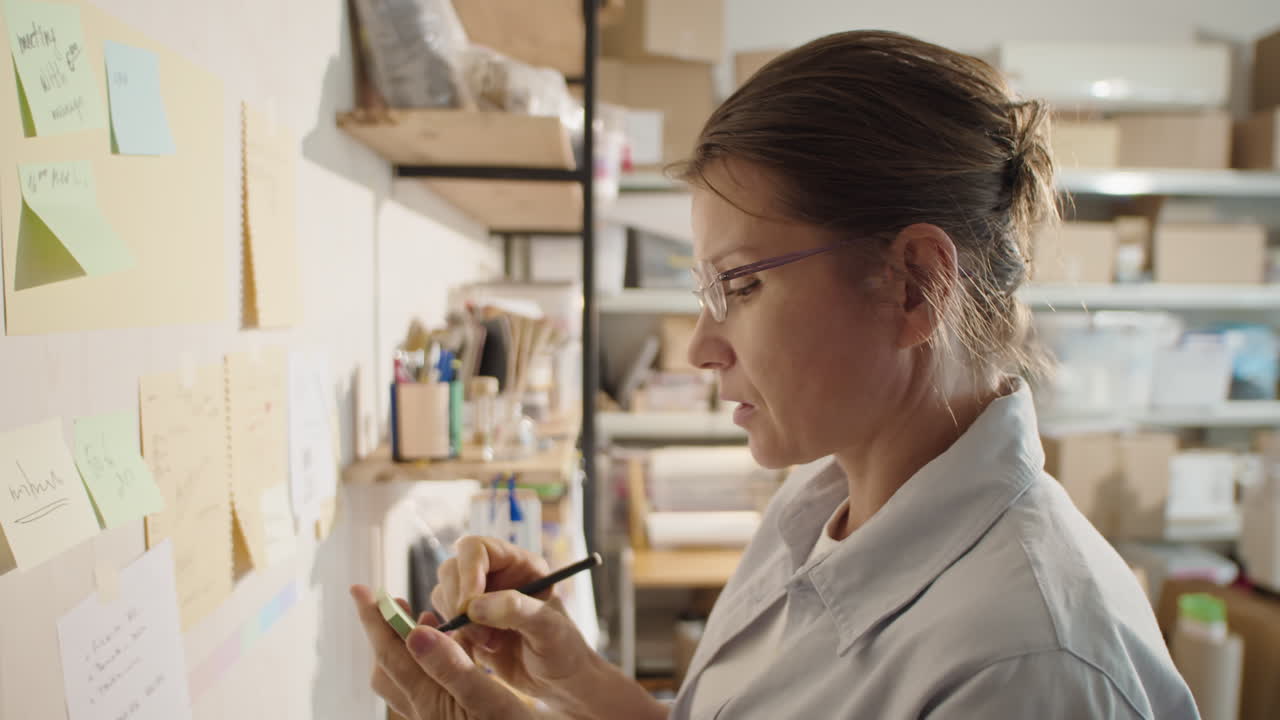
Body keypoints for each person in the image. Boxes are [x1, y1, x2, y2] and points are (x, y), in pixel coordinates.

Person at [351, 30, 1199, 719]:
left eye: (741, 286)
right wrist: (575, 679)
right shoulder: (820, 499)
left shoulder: (1025, 670)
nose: (699, 347)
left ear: (913, 287)